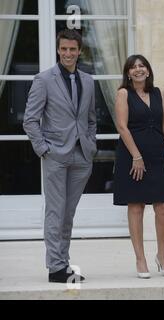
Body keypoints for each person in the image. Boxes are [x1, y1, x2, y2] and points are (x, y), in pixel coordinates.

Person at [23, 29, 96, 283]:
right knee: (55, 212)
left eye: (72, 49)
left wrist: (91, 144)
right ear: (58, 50)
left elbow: (90, 119)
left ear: (79, 51)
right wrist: (44, 149)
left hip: (81, 156)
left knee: (68, 213)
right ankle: (55, 267)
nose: (68, 53)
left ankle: (63, 264)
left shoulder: (88, 81)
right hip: (55, 155)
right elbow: (30, 120)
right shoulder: (43, 80)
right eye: (63, 49)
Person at [113, 54, 164, 278]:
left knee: (163, 207)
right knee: (137, 206)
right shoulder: (123, 94)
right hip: (132, 157)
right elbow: (122, 127)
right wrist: (136, 156)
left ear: (148, 71)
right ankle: (140, 259)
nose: (138, 70)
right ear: (128, 73)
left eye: (142, 66)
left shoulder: (159, 93)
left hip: (158, 155)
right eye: (133, 67)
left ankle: (162, 255)